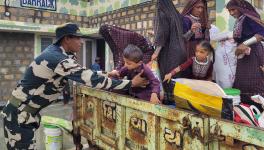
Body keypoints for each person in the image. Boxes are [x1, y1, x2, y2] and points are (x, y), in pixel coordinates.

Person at [1, 23, 148, 149]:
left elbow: (82, 71)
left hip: (25, 114)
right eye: (77, 38)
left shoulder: (60, 55)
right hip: (19, 116)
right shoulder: (56, 58)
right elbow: (89, 79)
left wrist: (108, 73)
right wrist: (130, 83)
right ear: (66, 39)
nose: (81, 42)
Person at [226, 0, 264, 109]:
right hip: (243, 55)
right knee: (242, 80)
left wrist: (245, 44)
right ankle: (245, 107)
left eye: (233, 9)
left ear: (241, 8)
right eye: (229, 11)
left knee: (254, 80)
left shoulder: (248, 18)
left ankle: (258, 105)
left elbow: (261, 34)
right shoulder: (239, 20)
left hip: (254, 54)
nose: (231, 13)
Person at [151, 0, 187, 105]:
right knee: (176, 79)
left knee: (167, 79)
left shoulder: (161, 11)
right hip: (180, 52)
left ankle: (168, 105)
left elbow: (162, 33)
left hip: (169, 52)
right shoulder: (175, 13)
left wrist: (156, 52)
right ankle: (177, 103)